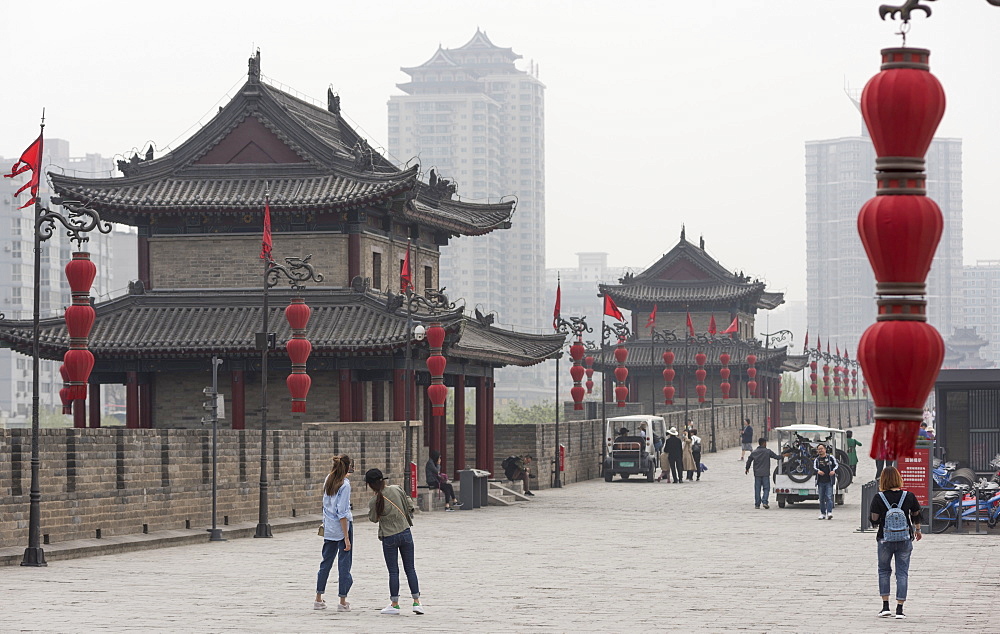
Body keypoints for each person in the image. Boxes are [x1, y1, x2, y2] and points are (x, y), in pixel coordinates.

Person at [365, 468, 423, 616]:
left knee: (393, 571)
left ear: (370, 485)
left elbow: (373, 519)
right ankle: (417, 602)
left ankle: (395, 604)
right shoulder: (397, 489)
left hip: (389, 537)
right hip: (405, 533)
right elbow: (410, 506)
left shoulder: (374, 501)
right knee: (410, 569)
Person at [869, 466, 922, 620]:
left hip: (885, 539)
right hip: (905, 538)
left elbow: (873, 519)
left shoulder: (879, 497)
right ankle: (900, 609)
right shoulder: (909, 496)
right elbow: (916, 514)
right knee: (902, 573)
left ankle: (885, 607)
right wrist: (917, 530)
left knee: (884, 571)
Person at [315, 454, 353, 612]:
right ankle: (342, 601)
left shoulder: (328, 479)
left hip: (329, 526)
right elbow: (342, 512)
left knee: (326, 562)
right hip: (341, 526)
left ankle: (318, 598)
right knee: (344, 564)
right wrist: (346, 537)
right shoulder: (345, 485)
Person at [745, 438, 781, 509]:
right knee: (766, 488)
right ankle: (764, 501)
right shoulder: (767, 451)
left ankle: (757, 504)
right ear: (764, 443)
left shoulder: (754, 452)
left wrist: (747, 468)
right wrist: (783, 455)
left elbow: (749, 460)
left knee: (757, 489)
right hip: (765, 473)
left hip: (757, 473)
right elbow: (776, 457)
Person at [814, 443, 839, 520]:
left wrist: (833, 471)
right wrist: (818, 471)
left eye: (821, 449)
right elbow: (814, 467)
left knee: (829, 497)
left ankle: (829, 512)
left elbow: (836, 465)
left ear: (825, 449)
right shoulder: (817, 459)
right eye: (819, 449)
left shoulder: (830, 457)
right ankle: (822, 513)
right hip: (820, 481)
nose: (820, 450)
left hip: (829, 481)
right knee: (821, 498)